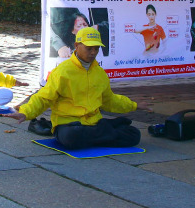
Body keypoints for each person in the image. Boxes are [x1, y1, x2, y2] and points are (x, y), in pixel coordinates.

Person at [11, 27, 150, 149]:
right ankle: (108, 131)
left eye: (96, 48)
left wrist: (134, 105)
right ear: (77, 46)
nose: (93, 52)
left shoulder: (100, 73)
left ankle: (101, 132)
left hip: (93, 123)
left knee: (134, 135)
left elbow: (109, 100)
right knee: (71, 137)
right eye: (89, 48)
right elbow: (44, 97)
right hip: (69, 125)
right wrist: (26, 112)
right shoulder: (62, 72)